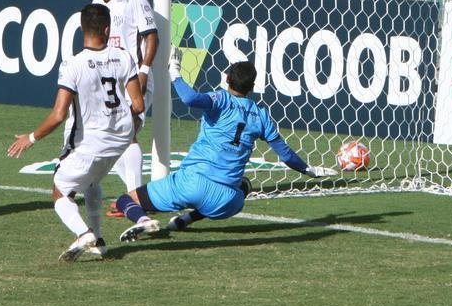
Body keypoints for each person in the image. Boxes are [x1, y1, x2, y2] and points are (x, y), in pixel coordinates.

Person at [113, 52, 335, 242]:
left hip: (190, 183)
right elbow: (284, 153)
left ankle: (144, 220)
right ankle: (185, 220)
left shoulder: (221, 99)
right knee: (245, 185)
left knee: (126, 199)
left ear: (227, 79)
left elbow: (190, 99)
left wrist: (176, 73)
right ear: (252, 86)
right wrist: (309, 170)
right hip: (226, 200)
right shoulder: (261, 115)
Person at [6, 4, 145, 261]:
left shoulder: (74, 64)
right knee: (92, 183)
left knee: (60, 190)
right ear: (107, 29)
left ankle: (84, 233)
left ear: (82, 29)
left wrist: (32, 137)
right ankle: (100, 240)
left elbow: (59, 114)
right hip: (121, 141)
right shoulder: (124, 56)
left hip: (90, 142)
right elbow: (138, 105)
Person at [91, 0, 158, 206]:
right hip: (112, 82)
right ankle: (136, 195)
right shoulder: (96, 5)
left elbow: (152, 36)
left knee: (128, 132)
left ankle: (136, 198)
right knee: (107, 136)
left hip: (135, 78)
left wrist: (144, 71)